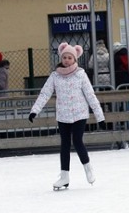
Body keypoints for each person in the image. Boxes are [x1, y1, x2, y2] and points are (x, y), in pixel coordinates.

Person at [28, 42, 106, 190]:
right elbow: (45, 93)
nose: (67, 60)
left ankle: (88, 168)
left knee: (77, 140)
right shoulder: (55, 76)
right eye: (65, 57)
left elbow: (90, 96)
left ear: (75, 59)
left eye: (70, 57)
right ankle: (64, 177)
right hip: (63, 115)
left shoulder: (80, 75)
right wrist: (34, 110)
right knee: (64, 144)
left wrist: (100, 117)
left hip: (79, 114)